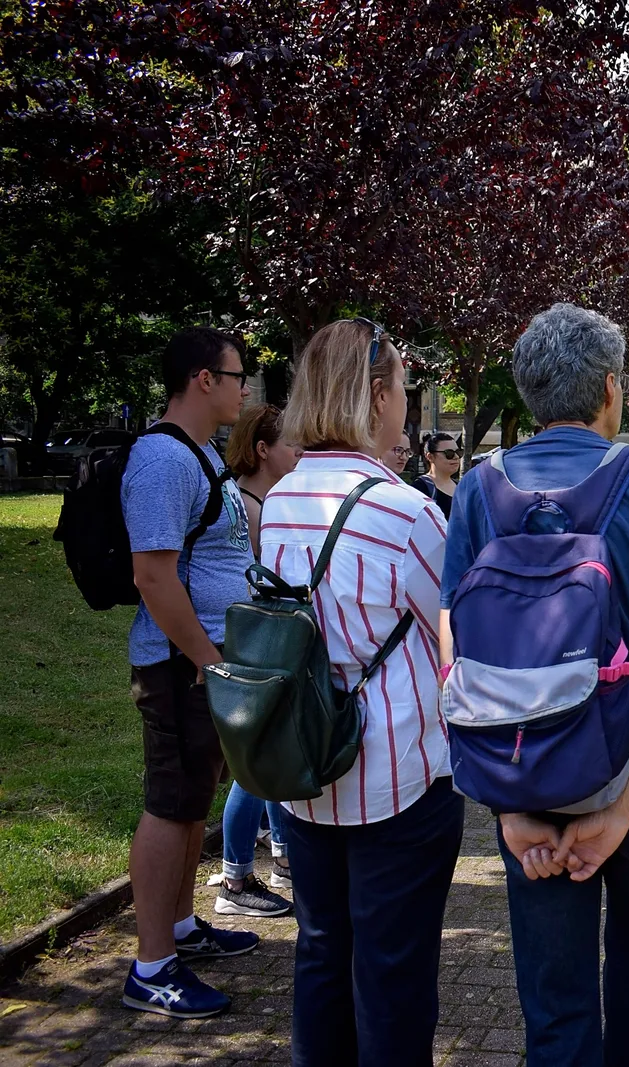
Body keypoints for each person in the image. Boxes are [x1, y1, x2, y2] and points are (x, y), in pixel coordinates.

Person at [440, 303, 629, 1067]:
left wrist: (510, 808)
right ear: (611, 388)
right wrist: (621, 809)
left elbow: (455, 649)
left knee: (553, 999)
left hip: (523, 767)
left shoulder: (478, 490)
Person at [261, 318, 462, 1066]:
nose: (406, 406)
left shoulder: (282, 499)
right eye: (404, 390)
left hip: (305, 765)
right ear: (376, 395)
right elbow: (456, 632)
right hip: (397, 776)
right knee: (394, 977)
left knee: (319, 955)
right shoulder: (405, 512)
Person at [121, 327, 259, 1019]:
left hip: (202, 664)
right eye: (239, 375)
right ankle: (150, 967)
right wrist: (205, 656)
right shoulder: (161, 459)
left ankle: (178, 929)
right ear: (204, 378)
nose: (246, 387)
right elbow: (153, 574)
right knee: (170, 803)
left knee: (193, 799)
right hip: (180, 666)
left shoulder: (199, 453)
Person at [213, 403, 303, 917]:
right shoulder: (249, 507)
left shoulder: (268, 501)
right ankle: (235, 879)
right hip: (256, 646)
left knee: (270, 757)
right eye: (289, 444)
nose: (298, 453)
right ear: (263, 449)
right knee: (253, 767)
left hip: (267, 644)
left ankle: (280, 860)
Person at [413, 432, 460, 518]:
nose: (456, 457)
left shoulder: (461, 487)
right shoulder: (420, 488)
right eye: (449, 453)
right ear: (430, 457)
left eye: (458, 452)